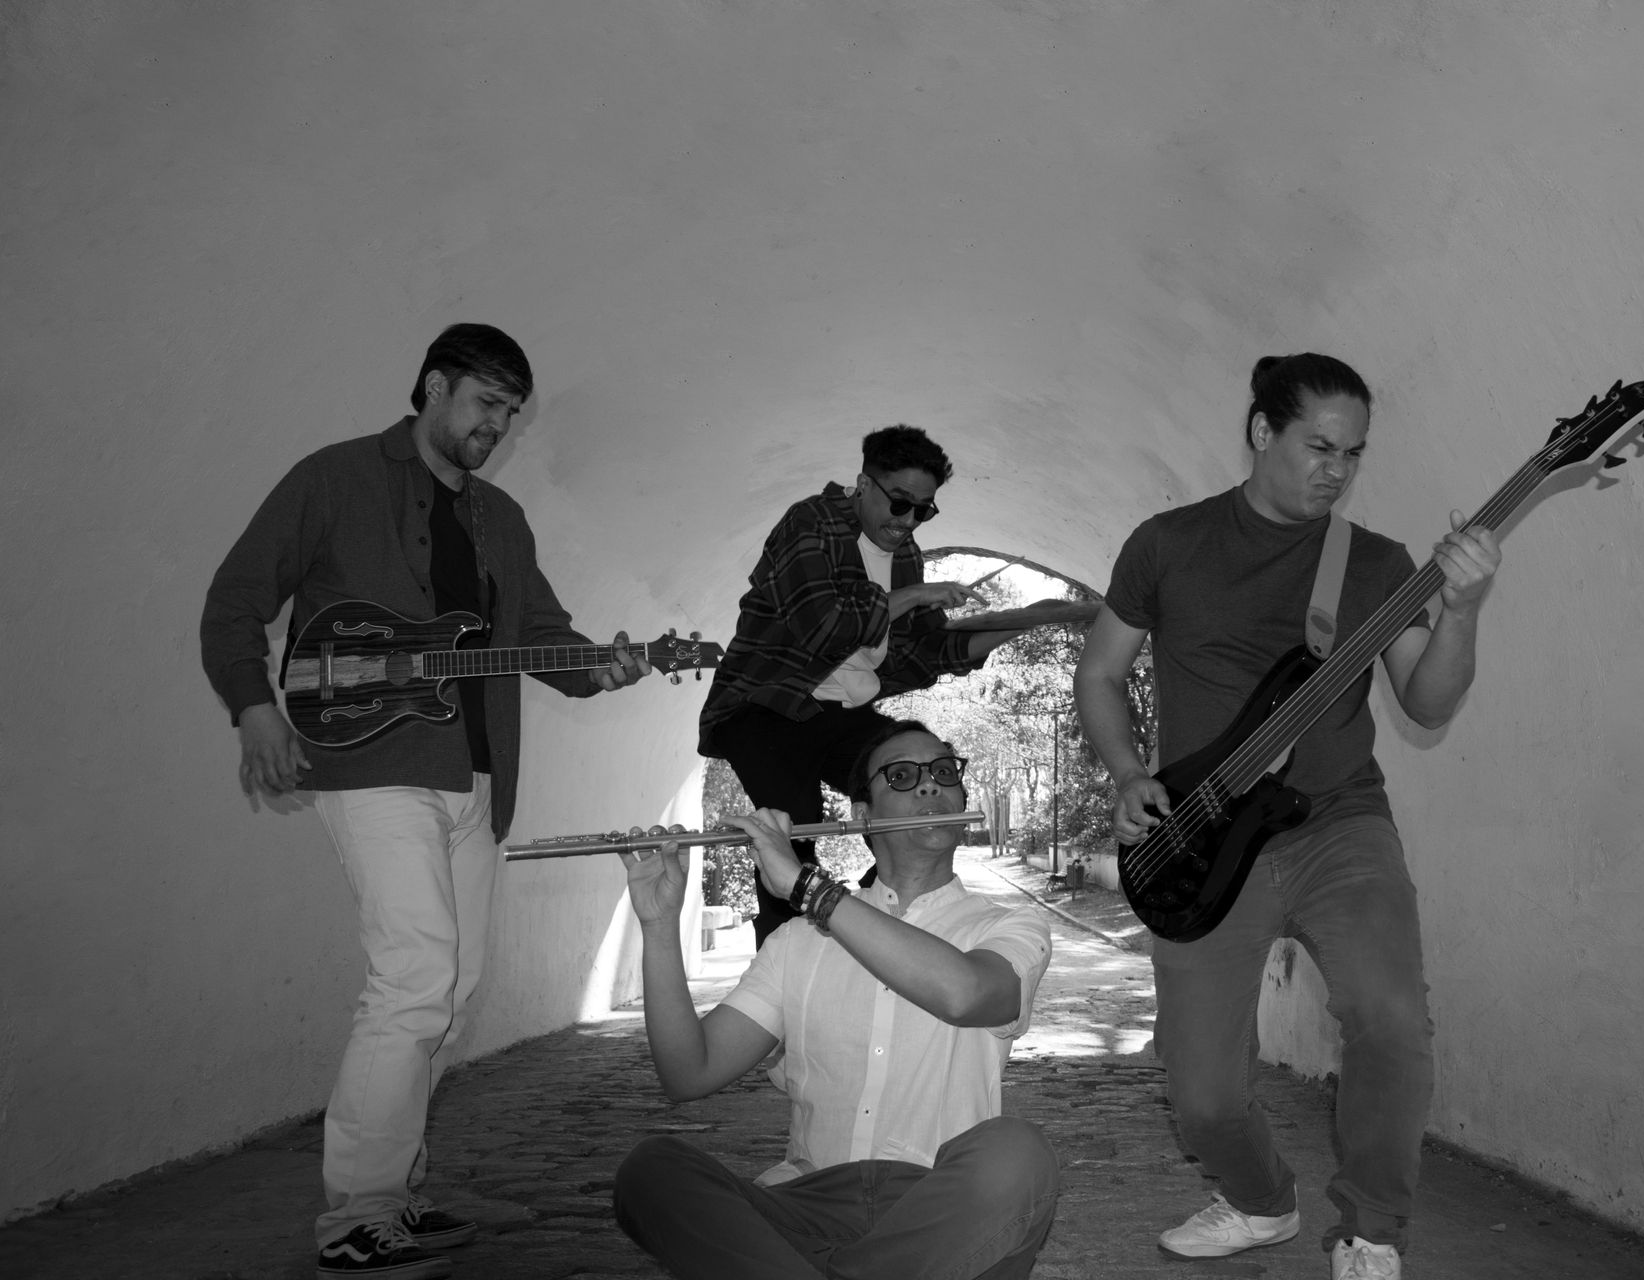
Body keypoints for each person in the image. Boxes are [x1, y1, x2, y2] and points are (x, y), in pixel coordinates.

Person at [200, 323, 650, 1280]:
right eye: (487, 404)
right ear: (435, 388)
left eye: (512, 413)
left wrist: (604, 667)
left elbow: (543, 635)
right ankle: (357, 1214)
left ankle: (397, 1193)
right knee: (414, 977)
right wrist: (254, 707)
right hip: (373, 765)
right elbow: (235, 599)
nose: (498, 426)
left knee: (455, 987)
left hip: (479, 777)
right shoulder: (333, 479)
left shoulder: (505, 519)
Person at [1072, 353, 1501, 1280]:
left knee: (1390, 1021)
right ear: (1263, 432)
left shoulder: (1376, 564)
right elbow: (1100, 672)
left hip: (1339, 821)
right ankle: (1260, 1202)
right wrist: (1127, 775)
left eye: (1354, 453)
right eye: (1319, 446)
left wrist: (1462, 610)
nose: (1337, 469)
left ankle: (1373, 1231)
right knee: (1203, 1097)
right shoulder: (1167, 545)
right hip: (1202, 839)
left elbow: (1428, 704)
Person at [613, 719, 1058, 1279]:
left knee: (1016, 1153)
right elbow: (688, 1072)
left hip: (941, 1215)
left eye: (945, 771)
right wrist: (658, 925)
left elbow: (966, 995)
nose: (930, 784)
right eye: (902, 776)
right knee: (651, 1168)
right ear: (862, 815)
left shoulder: (1009, 925)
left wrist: (809, 889)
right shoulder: (796, 942)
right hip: (804, 1208)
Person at [699, 426, 1022, 945]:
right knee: (792, 833)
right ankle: (781, 963)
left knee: (905, 778)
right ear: (864, 484)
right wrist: (915, 595)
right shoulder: (812, 522)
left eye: (923, 510)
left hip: (838, 714)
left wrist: (1013, 626)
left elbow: (916, 654)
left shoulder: (907, 555)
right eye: (900, 503)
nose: (907, 521)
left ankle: (886, 928)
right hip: (764, 707)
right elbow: (825, 627)